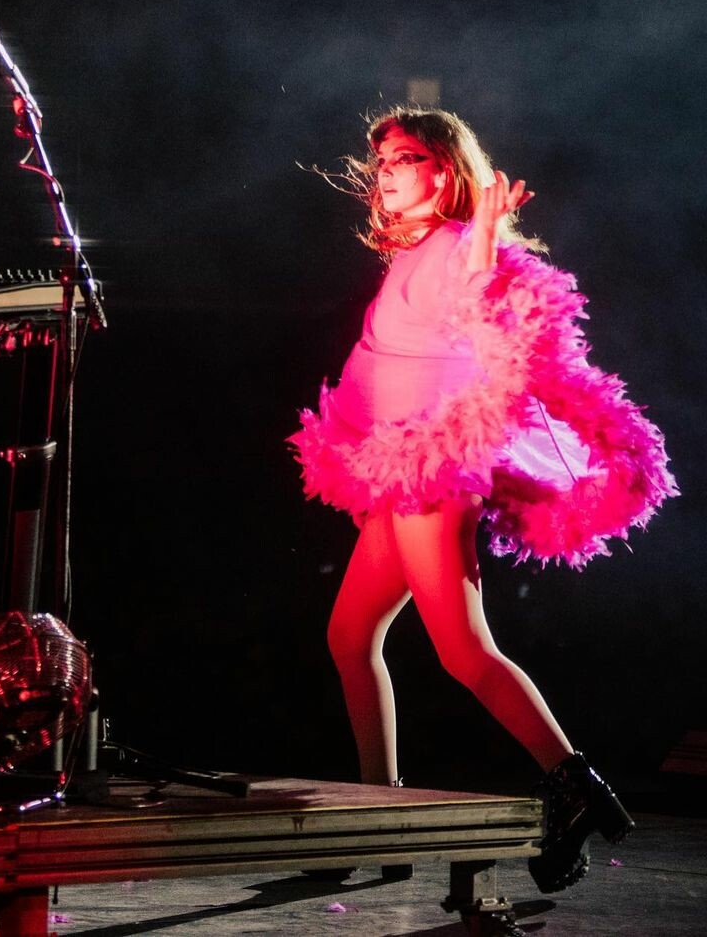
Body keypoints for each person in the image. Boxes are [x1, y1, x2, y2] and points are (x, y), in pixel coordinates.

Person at [289, 107, 677, 894]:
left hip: (433, 474)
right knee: (350, 635)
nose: (385, 172)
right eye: (382, 161)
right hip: (400, 472)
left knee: (463, 649)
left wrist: (487, 235)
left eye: (404, 158)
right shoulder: (415, 251)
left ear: (444, 170)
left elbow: (477, 296)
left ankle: (575, 785)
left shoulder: (458, 244)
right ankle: (380, 812)